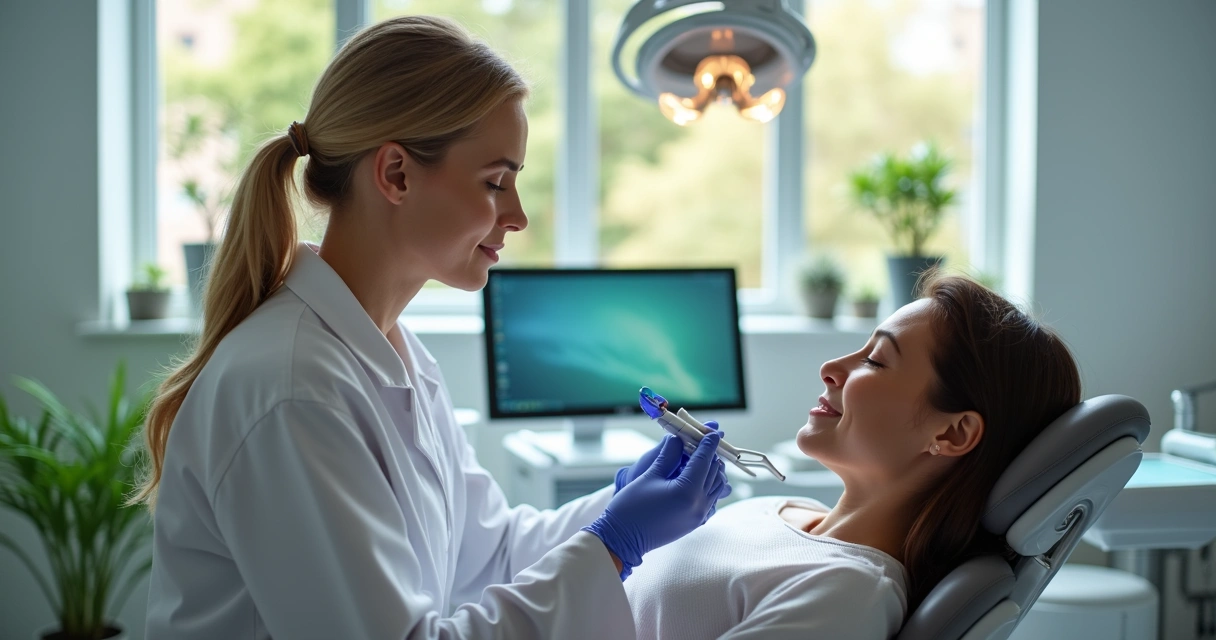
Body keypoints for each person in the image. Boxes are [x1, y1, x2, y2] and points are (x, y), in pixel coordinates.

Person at [133, 15, 730, 640]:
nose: (519, 216)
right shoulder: (291, 388)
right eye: (496, 182)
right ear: (395, 174)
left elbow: (489, 554)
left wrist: (621, 505)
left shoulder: (396, 355)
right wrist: (614, 544)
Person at [622, 273, 1083, 639]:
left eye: (876, 360)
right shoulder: (778, 511)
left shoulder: (847, 593)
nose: (829, 368)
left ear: (953, 431)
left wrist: (612, 541)